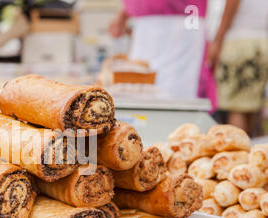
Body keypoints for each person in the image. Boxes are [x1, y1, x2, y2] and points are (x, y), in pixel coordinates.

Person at [108, 0, 216, 109]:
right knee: (138, 101)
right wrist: (123, 14)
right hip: (143, 28)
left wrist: (218, 40)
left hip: (181, 29)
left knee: (178, 103)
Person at [207, 0, 268, 136]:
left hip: (239, 44)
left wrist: (217, 42)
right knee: (250, 108)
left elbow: (229, 12)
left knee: (236, 108)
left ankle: (235, 152)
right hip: (261, 43)